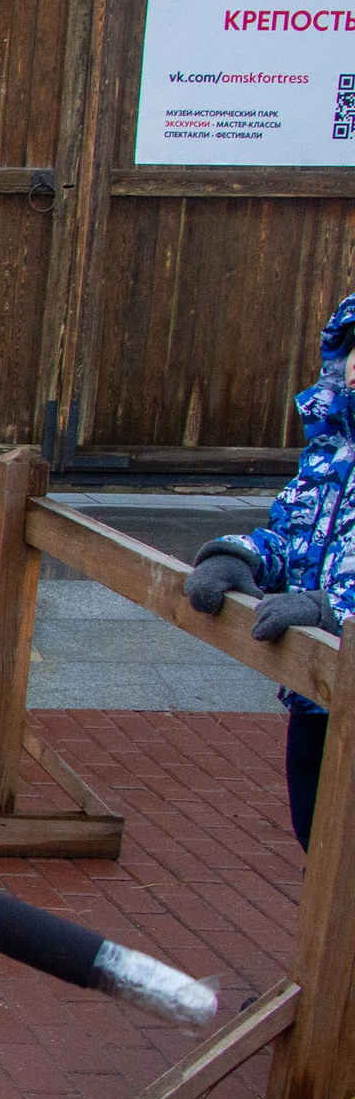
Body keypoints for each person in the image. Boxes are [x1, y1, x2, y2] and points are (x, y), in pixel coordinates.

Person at [185, 292, 355, 849]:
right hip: (320, 689)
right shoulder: (331, 453)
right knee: (316, 830)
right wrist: (241, 554)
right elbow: (295, 533)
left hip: (340, 658)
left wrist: (334, 610)